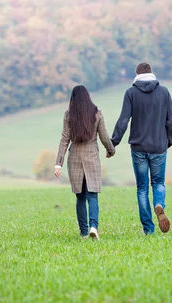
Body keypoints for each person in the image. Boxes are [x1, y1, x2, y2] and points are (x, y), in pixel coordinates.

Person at [111, 62, 172, 235]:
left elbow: (123, 121)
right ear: (152, 74)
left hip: (138, 148)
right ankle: (159, 204)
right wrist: (168, 141)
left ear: (136, 74)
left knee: (142, 188)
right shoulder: (164, 92)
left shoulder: (131, 93)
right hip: (158, 147)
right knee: (158, 183)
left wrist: (114, 142)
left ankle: (148, 229)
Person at [55, 85, 115, 239]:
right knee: (92, 195)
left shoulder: (69, 115)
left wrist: (58, 163)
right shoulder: (97, 114)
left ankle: (83, 232)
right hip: (91, 158)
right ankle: (93, 227)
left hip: (74, 158)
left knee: (80, 196)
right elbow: (104, 137)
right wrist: (111, 150)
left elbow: (64, 139)